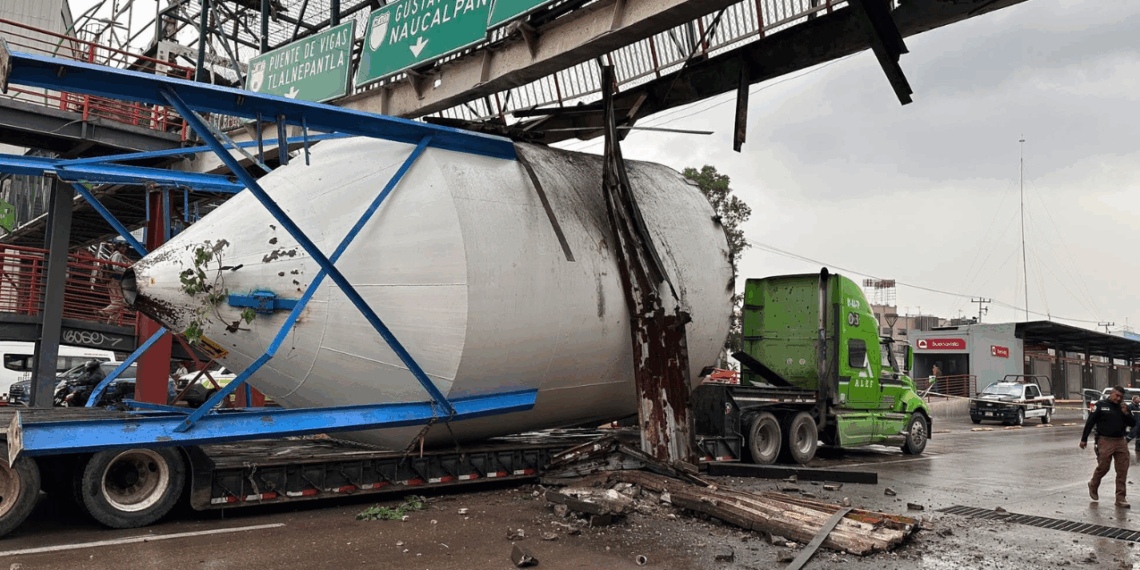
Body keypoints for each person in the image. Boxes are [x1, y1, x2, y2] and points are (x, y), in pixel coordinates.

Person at [1081, 385, 1137, 508]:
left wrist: (1126, 413)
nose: (1118, 398)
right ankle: (1093, 484)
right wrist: (1084, 439)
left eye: (1121, 397)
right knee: (1104, 467)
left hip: (1120, 441)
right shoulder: (1101, 405)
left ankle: (1120, 498)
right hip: (1105, 440)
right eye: (1116, 395)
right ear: (1111, 394)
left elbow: (1133, 423)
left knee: (1122, 469)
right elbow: (1090, 422)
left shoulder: (1124, 407)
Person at [99, 243, 130, 324]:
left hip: (112, 280)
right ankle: (103, 312)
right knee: (120, 301)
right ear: (119, 247)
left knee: (116, 304)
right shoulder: (118, 255)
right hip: (114, 280)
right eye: (124, 247)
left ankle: (111, 323)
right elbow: (115, 267)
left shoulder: (114, 255)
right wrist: (127, 271)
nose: (125, 249)